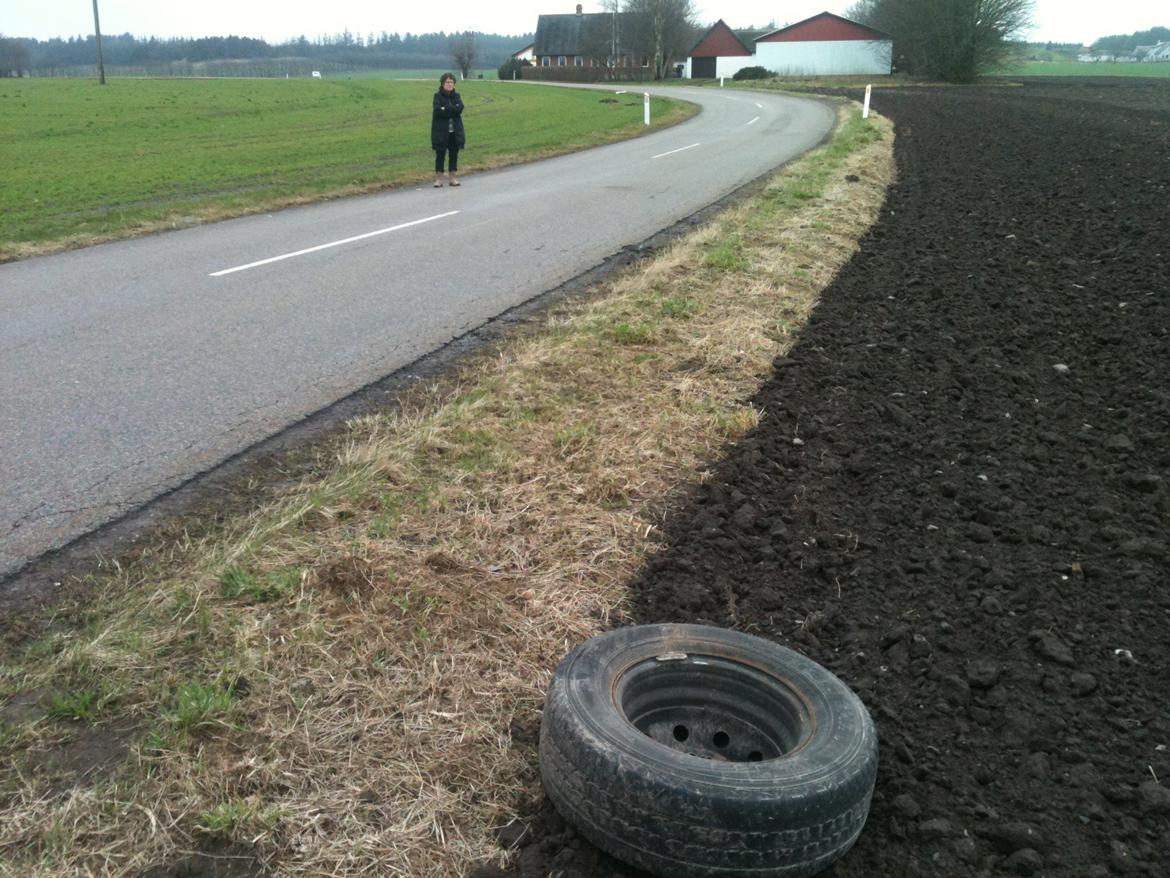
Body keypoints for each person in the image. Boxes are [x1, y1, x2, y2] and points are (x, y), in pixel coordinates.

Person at [431, 72, 465, 187]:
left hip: (454, 132)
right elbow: (437, 111)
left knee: (454, 154)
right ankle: (439, 179)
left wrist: (445, 108)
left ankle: (452, 178)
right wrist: (452, 109)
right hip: (441, 132)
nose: (449, 84)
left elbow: (460, 108)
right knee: (440, 155)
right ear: (442, 83)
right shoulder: (437, 96)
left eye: (451, 82)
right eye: (447, 82)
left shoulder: (457, 96)